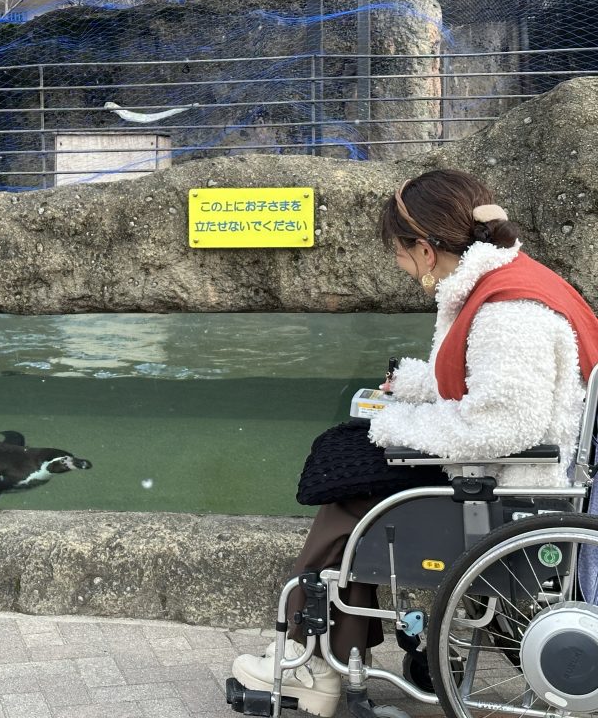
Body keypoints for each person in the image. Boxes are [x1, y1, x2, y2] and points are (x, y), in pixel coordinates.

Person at [231, 169, 598, 717]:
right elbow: (483, 382)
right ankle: (333, 655)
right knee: (348, 460)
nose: (400, 267)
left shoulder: (507, 310)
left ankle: (316, 664)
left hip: (509, 485)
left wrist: (392, 426)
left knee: (348, 484)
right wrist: (408, 386)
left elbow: (498, 426)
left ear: (426, 250)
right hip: (506, 468)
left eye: (400, 254)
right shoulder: (511, 283)